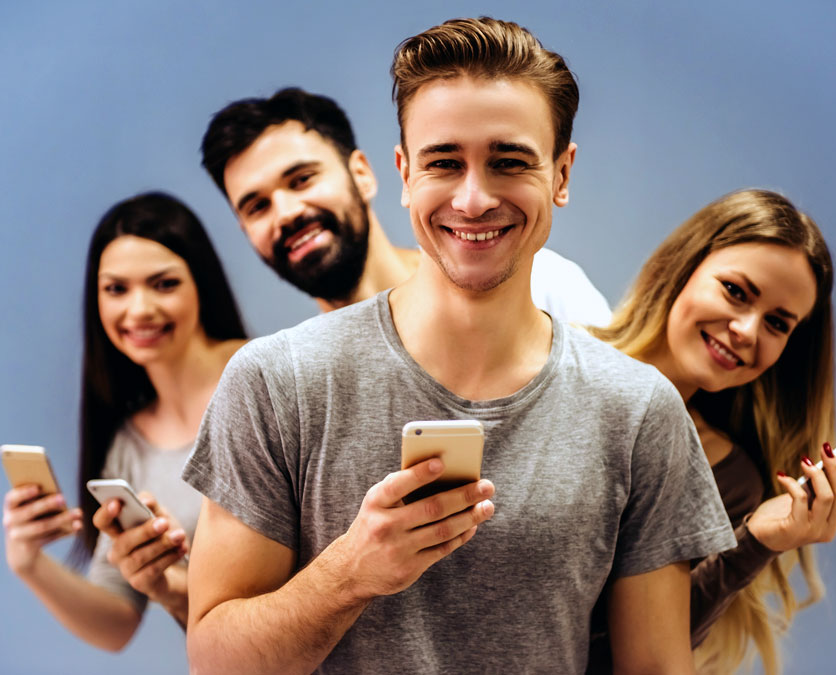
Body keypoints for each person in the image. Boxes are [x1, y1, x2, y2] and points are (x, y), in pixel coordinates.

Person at [182, 17, 736, 674]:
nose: (473, 199)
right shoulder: (277, 383)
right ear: (404, 172)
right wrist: (350, 571)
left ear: (562, 173)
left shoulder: (640, 411)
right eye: (445, 162)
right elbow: (216, 661)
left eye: (509, 161)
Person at [588, 188, 836, 674]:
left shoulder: (730, 479)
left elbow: (643, 655)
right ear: (684, 266)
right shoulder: (554, 354)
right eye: (736, 291)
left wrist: (756, 541)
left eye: (777, 323)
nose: (748, 331)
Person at [2, 192, 246, 651]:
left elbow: (299, 580)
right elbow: (116, 625)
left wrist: (173, 583)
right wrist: (27, 563)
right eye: (116, 289)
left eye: (163, 284)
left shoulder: (267, 374)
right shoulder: (127, 447)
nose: (138, 310)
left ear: (201, 283)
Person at [200, 86, 612, 325]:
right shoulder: (297, 377)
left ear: (362, 173)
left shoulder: (545, 285)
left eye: (302, 179)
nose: (286, 212)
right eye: (257, 206)